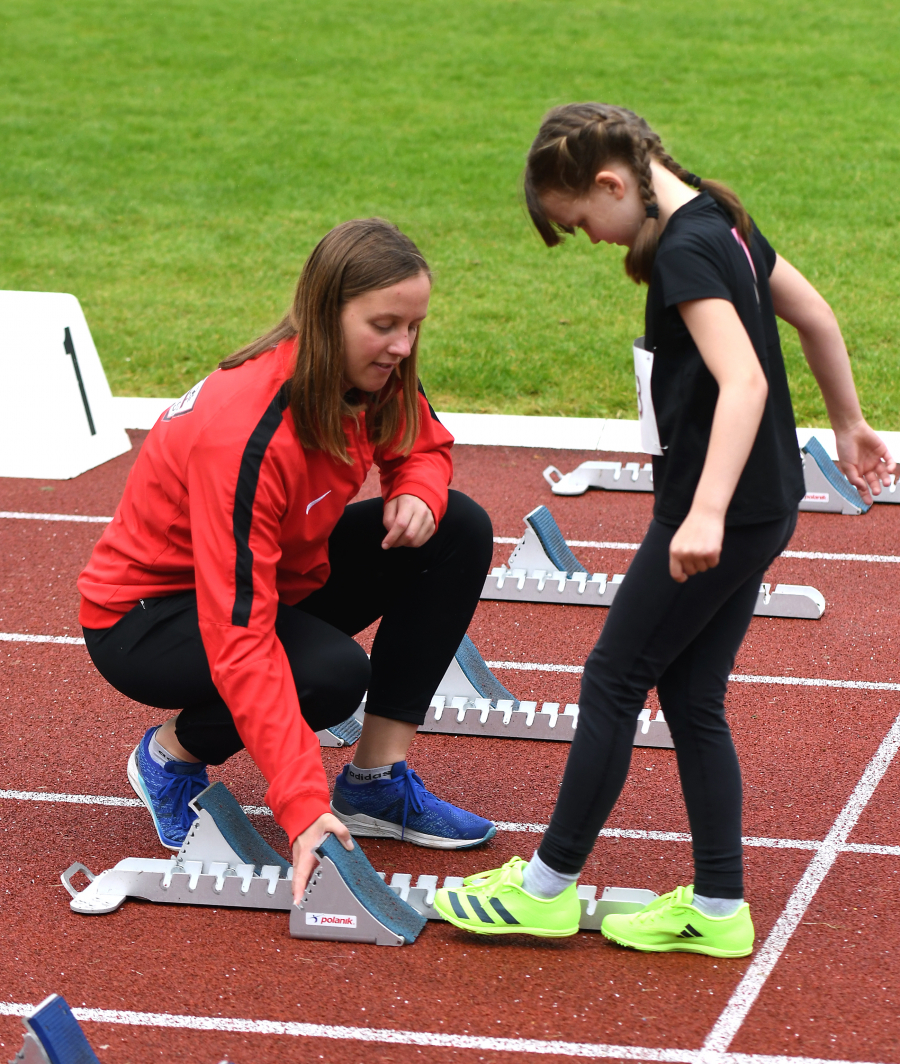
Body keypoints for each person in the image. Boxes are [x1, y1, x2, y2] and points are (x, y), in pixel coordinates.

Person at [435, 103, 896, 956]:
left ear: (612, 184)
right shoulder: (723, 216)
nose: (595, 241)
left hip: (724, 509)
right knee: (689, 695)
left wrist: (707, 510)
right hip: (767, 500)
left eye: (583, 223)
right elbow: (817, 314)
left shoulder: (683, 250)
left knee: (611, 675)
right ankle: (720, 906)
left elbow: (746, 383)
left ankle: (545, 887)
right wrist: (851, 423)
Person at [78, 218, 497, 900]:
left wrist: (416, 489)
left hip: (268, 577)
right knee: (331, 677)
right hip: (147, 619)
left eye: (414, 325)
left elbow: (421, 442)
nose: (403, 345)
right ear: (326, 314)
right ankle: (171, 756)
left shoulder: (372, 371)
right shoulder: (248, 433)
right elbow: (240, 637)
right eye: (385, 324)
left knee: (456, 527)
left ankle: (376, 785)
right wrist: (301, 808)